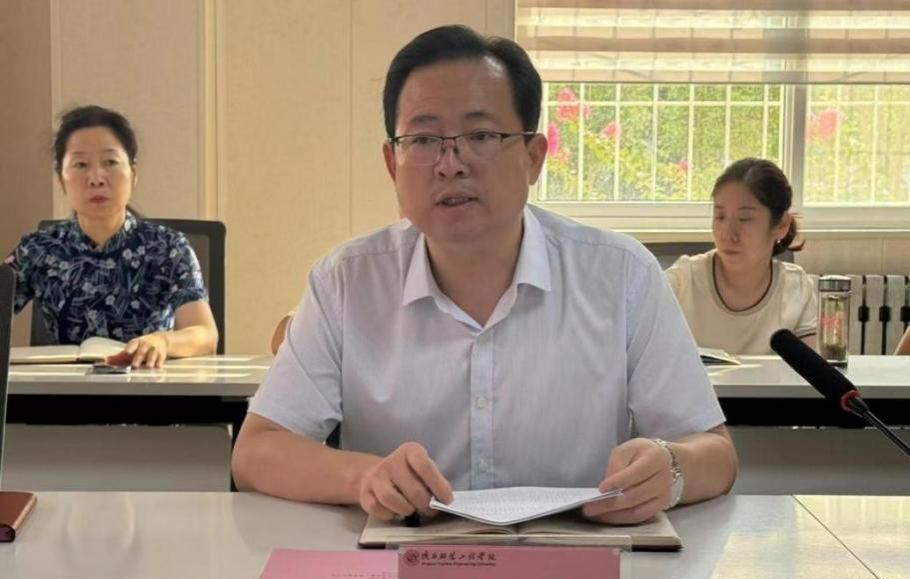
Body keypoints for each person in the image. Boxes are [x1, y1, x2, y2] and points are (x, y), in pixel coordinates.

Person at [232, 25, 736, 525]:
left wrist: (671, 469)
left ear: (533, 157)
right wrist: (365, 477)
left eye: (481, 136)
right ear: (392, 164)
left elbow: (715, 453)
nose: (450, 164)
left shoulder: (622, 275)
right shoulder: (346, 282)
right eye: (423, 139)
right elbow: (257, 452)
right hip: (399, 565)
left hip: (581, 563)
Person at [5, 105, 218, 368]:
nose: (96, 178)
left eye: (110, 162)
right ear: (61, 180)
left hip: (148, 384)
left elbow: (204, 333)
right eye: (81, 164)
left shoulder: (168, 247)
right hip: (63, 388)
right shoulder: (39, 248)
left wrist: (163, 341)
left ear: (133, 175)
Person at [665, 158, 817, 355]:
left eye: (745, 219)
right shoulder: (682, 281)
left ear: (781, 225)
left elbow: (813, 370)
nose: (728, 234)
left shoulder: (796, 288)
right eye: (720, 217)